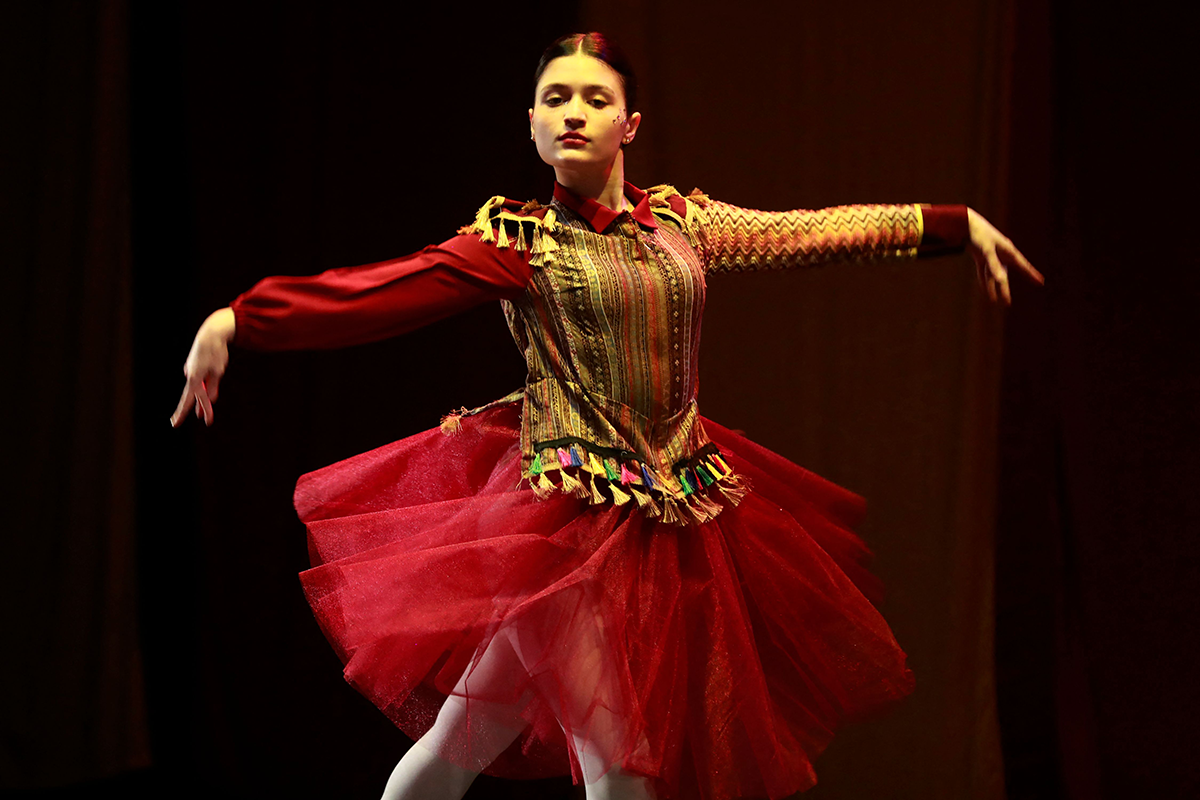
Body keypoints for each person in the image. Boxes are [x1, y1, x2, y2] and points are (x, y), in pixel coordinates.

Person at [172, 32, 1041, 800]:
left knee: (463, 742)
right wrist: (241, 320)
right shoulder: (520, 242)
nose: (575, 113)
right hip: (562, 519)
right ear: (533, 124)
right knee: (617, 755)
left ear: (629, 123)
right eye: (557, 98)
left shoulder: (681, 225)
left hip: (669, 509)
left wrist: (948, 223)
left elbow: (806, 231)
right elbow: (385, 289)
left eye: (596, 98)